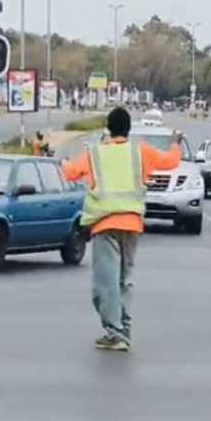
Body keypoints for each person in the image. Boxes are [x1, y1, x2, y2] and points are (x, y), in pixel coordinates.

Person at [61, 107, 182, 352]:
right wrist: (176, 144)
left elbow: (70, 172)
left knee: (106, 283)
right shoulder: (141, 152)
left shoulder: (95, 154)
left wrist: (61, 160)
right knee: (124, 280)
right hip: (132, 224)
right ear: (128, 129)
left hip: (105, 224)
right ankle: (123, 331)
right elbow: (170, 161)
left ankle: (115, 333)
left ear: (108, 128)